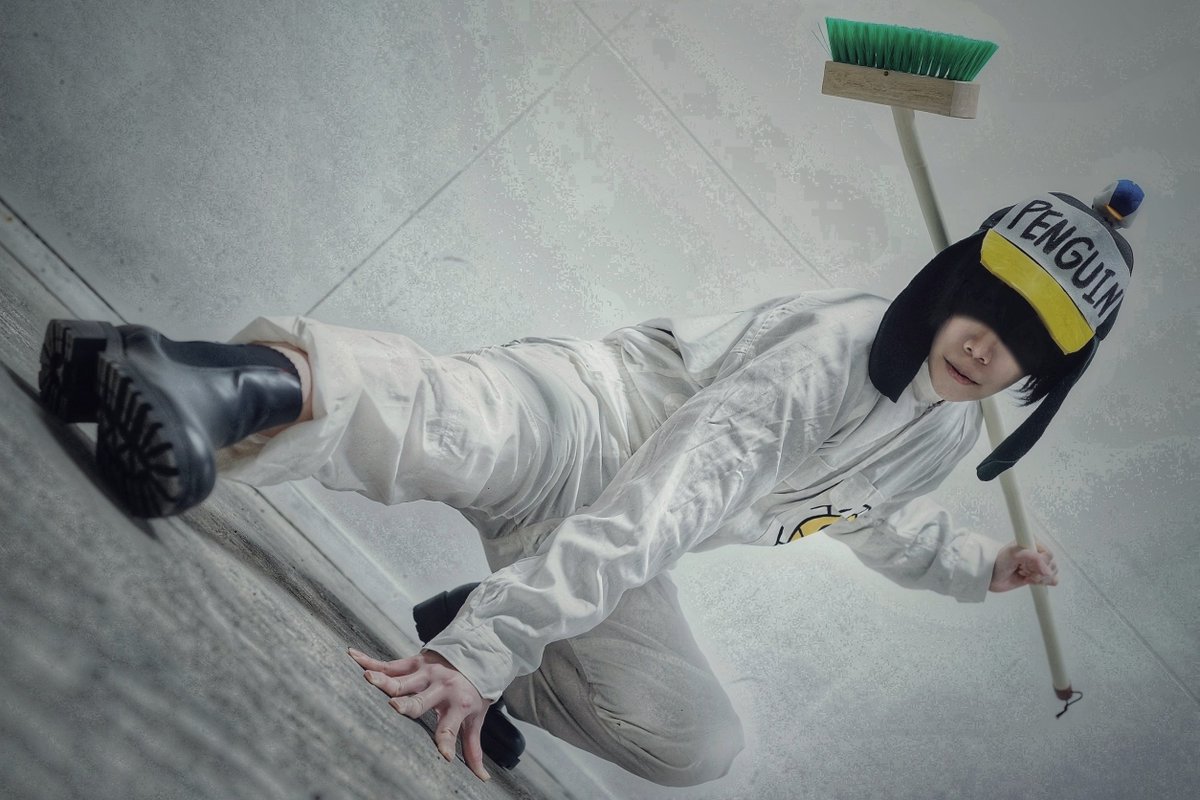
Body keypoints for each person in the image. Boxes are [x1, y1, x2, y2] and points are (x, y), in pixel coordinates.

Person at [37, 181, 1142, 786]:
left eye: (1027, 338)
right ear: (953, 282)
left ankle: (143, 367)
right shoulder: (834, 354)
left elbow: (874, 517)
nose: (989, 344)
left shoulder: (942, 432)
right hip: (588, 425)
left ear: (1046, 372)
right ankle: (206, 384)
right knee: (441, 421)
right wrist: (485, 649)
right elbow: (668, 499)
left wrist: (978, 564)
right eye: (988, 305)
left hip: (621, 540)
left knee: (696, 740)